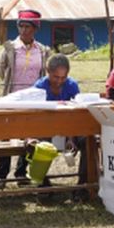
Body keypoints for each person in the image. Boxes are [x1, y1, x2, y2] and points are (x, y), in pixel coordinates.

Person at [0, 9, 51, 184]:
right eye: (21, 26)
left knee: (30, 135)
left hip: (34, 100)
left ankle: (21, 172)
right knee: (7, 135)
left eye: (28, 26)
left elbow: (46, 74)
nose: (24, 30)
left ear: (35, 28)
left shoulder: (42, 50)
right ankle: (1, 175)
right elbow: (1, 71)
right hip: (12, 98)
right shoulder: (10, 48)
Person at [34, 54, 88, 196]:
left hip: (69, 128)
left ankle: (83, 186)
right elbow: (37, 117)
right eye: (55, 77)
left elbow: (74, 115)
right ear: (48, 72)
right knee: (37, 146)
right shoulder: (39, 87)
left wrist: (70, 138)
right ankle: (43, 186)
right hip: (46, 128)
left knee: (88, 141)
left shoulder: (72, 86)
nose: (59, 81)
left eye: (63, 78)